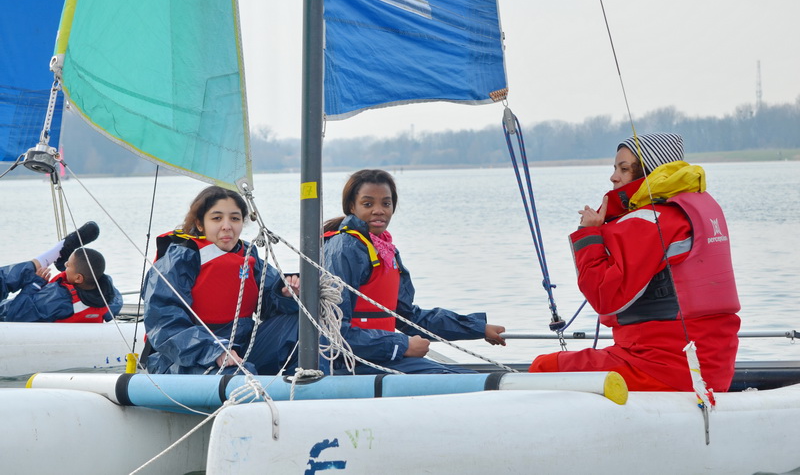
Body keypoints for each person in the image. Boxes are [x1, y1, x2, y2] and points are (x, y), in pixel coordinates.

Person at [529, 133, 741, 392]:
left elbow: (603, 296)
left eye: (624, 169)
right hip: (710, 367)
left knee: (543, 367)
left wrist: (588, 233)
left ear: (650, 172)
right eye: (615, 168)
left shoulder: (651, 220)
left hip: (663, 368)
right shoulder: (690, 210)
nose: (613, 177)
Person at [323, 169, 506, 374]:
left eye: (386, 203)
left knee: (468, 376)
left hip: (381, 357)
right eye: (368, 204)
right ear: (351, 206)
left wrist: (478, 328)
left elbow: (409, 317)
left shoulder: (386, 251)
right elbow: (332, 329)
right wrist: (402, 345)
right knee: (465, 379)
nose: (379, 210)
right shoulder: (345, 248)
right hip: (351, 364)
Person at [142, 186, 317, 375]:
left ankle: (304, 384)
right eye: (217, 218)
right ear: (200, 224)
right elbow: (164, 322)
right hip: (185, 359)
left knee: (301, 323)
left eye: (234, 218)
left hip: (241, 348)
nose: (227, 226)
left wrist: (285, 294)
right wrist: (214, 350)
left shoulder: (248, 255)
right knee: (240, 374)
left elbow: (268, 300)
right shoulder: (179, 259)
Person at [0, 222, 123, 322]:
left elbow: (15, 316)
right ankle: (57, 257)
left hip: (4, 313)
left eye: (68, 264)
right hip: (80, 282)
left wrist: (34, 285)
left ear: (78, 278)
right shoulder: (108, 298)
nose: (65, 265)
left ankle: (50, 256)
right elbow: (115, 301)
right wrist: (72, 271)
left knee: (8, 278)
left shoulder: (57, 297)